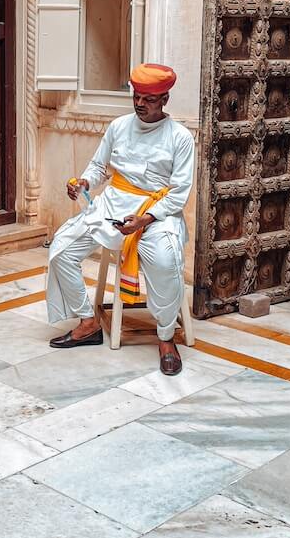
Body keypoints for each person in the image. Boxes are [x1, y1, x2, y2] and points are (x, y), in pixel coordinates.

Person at [46, 64, 195, 376]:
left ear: (165, 99)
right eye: (136, 97)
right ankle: (87, 322)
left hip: (157, 214)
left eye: (148, 99)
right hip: (113, 205)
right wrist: (85, 183)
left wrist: (144, 220)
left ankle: (166, 337)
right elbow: (99, 166)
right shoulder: (118, 127)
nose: (140, 104)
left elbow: (179, 192)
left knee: (167, 263)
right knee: (61, 249)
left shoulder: (180, 137)